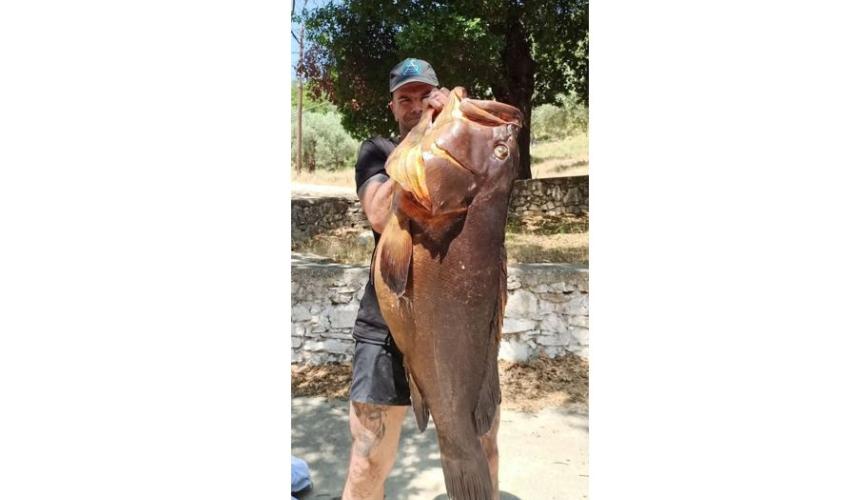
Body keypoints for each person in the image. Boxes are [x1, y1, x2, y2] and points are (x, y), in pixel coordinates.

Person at [342, 58, 501, 500]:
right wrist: (422, 143)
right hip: (385, 320)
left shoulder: (462, 149)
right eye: (404, 98)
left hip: (460, 324)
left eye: (424, 95)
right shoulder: (376, 151)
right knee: (368, 458)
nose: (415, 106)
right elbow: (378, 215)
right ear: (392, 107)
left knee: (481, 446)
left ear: (439, 95)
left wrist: (452, 126)